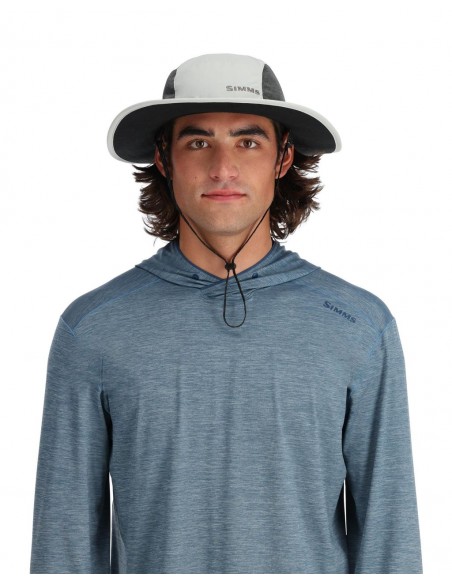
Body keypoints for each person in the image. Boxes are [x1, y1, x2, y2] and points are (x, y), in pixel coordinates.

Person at [30, 53, 423, 574]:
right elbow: (63, 547)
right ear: (164, 159)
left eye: (248, 141)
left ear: (283, 158)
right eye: (198, 143)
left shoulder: (359, 325)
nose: (223, 168)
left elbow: (391, 542)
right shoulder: (93, 329)